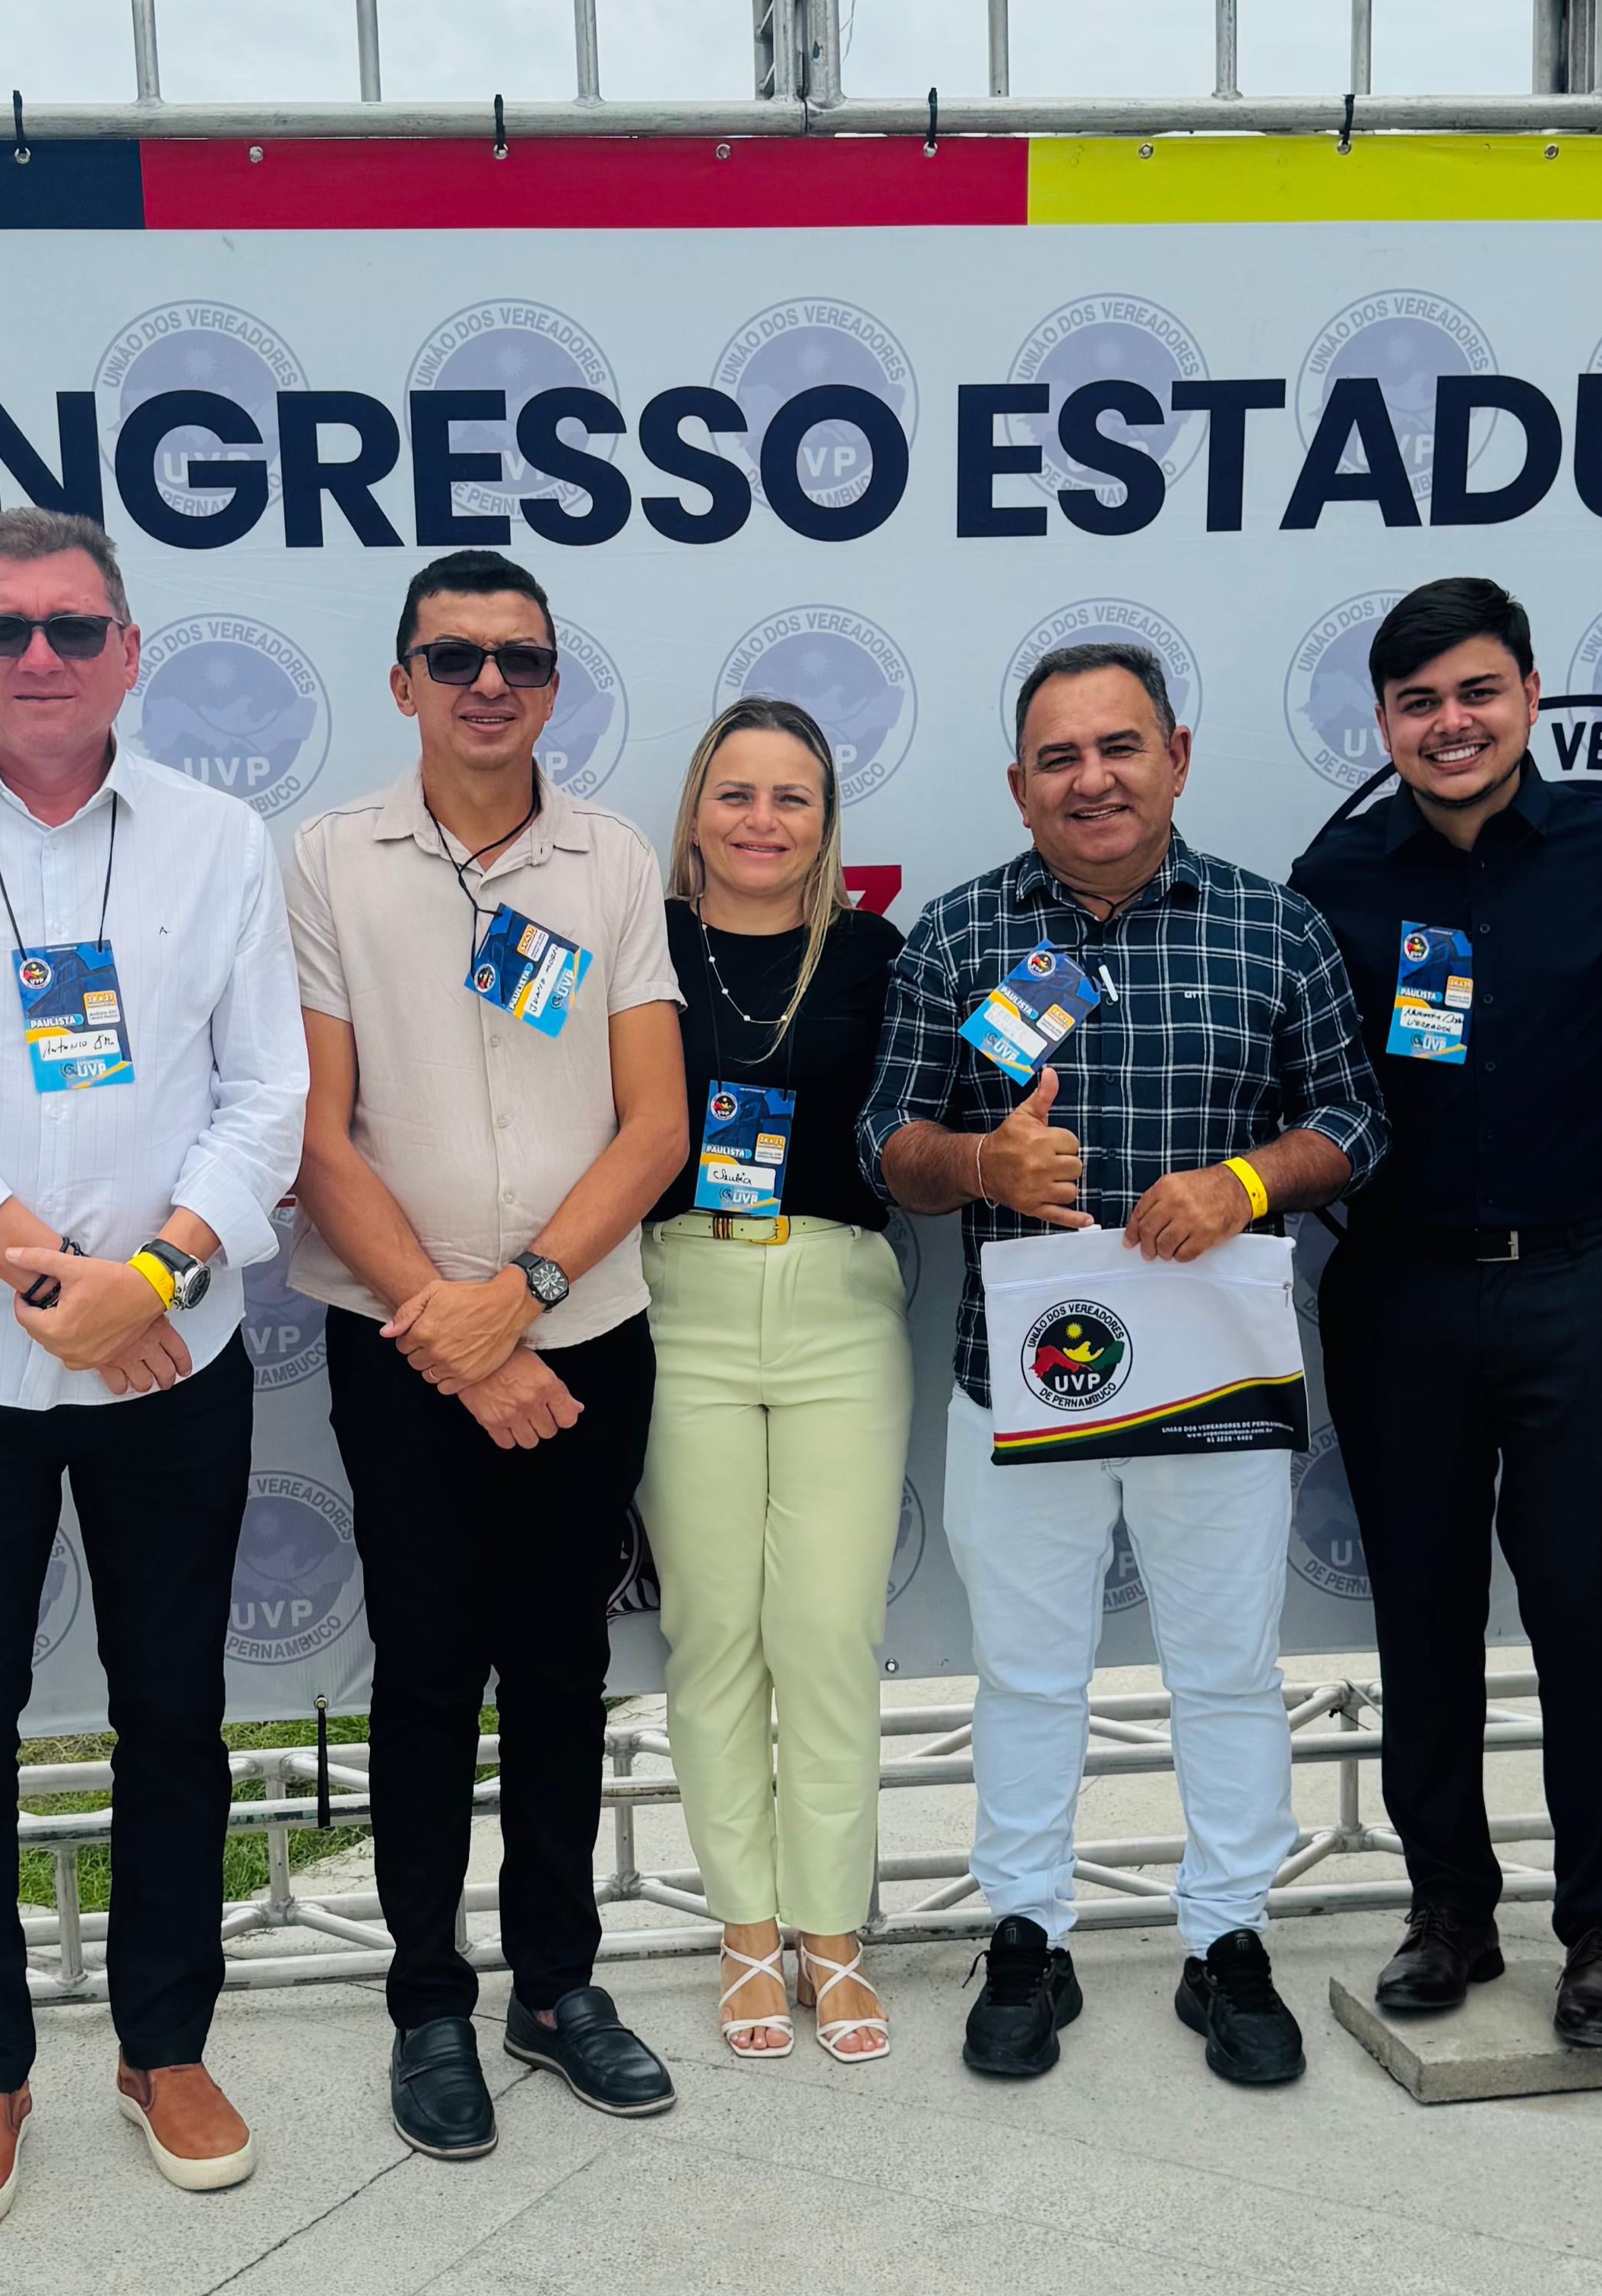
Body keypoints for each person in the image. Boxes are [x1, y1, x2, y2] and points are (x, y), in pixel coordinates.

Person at [0, 509, 307, 2228]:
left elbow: (267, 1101)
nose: (40, 657)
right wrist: (55, 1278)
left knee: (175, 1712)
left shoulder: (220, 837)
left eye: (75, 628)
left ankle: (164, 2040)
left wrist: (152, 1273)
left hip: (177, 1348)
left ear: (129, 651)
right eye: (3, 628)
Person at [860, 642, 1386, 2087]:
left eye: (1120, 747)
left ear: (1178, 757)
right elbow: (887, 1145)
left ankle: (1226, 1940)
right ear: (1019, 784)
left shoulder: (1272, 932)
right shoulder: (963, 939)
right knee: (1029, 1679)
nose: (1092, 777)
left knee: (1226, 1672)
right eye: (1059, 756)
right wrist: (980, 1156)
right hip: (1018, 1383)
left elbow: (1355, 1116)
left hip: (1215, 1382)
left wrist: (1251, 1181)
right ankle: (1028, 1935)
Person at [287, 548, 690, 2158]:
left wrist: (516, 1294)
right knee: (428, 1671)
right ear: (402, 683)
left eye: (519, 660)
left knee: (563, 1668)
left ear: (552, 684)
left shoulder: (608, 856)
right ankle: (425, 1994)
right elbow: (316, 1137)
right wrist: (452, 1333)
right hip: (398, 1343)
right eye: (453, 658)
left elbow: (654, 1122)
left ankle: (555, 1981)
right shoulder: (325, 860)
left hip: (584, 1330)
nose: (487, 685)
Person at [1288, 577, 1602, 2050]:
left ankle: (1601, 1935)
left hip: (1584, 1281)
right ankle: (1449, 1906)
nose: (1449, 724)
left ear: (1527, 693)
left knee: (1592, 1614)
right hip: (1395, 1288)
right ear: (1383, 722)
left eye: (1474, 692)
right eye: (1415, 702)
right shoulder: (1332, 883)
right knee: (1424, 1612)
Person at [640, 697, 910, 2065]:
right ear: (694, 808)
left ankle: (835, 1929)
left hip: (840, 1304)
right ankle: (747, 1930)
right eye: (734, 792)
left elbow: (938, 1107)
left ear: (826, 820)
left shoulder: (874, 950)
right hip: (677, 1292)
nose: (761, 819)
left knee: (824, 1633)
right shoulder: (636, 939)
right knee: (716, 1635)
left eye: (790, 796)